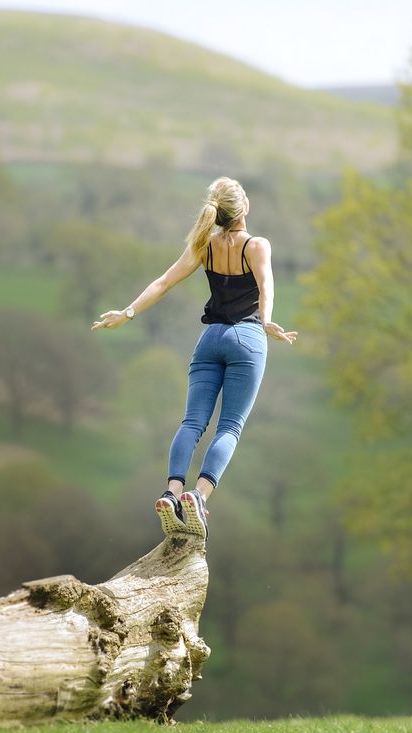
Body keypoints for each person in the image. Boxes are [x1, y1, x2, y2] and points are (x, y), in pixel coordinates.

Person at [91, 176, 298, 539]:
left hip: (209, 341)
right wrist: (265, 321)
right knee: (230, 426)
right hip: (246, 340)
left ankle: (171, 493)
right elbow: (266, 284)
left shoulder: (205, 246)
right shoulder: (257, 245)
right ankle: (198, 498)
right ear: (243, 207)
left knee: (191, 423)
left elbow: (163, 282)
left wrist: (127, 314)